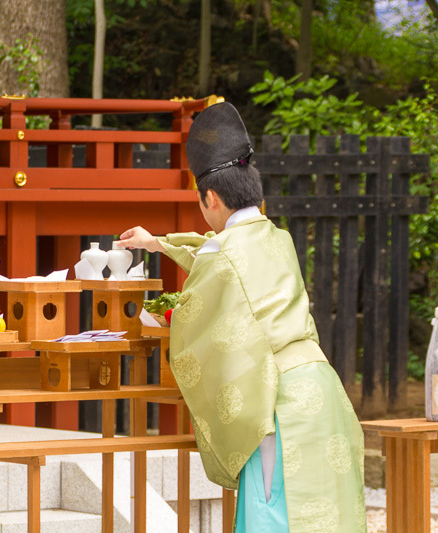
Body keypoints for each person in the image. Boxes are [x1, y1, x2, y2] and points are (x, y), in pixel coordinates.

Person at [117, 102, 366, 532]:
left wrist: (161, 319)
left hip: (278, 402)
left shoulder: (223, 253)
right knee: (331, 515)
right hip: (323, 391)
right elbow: (219, 252)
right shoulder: (278, 237)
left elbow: (199, 309)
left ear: (210, 197)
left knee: (276, 516)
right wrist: (157, 243)